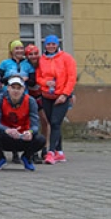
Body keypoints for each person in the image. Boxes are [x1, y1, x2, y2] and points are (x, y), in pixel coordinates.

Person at [0, 77, 46, 171]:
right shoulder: (0, 99)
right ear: (8, 88)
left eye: (19, 88)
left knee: (41, 139)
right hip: (6, 136)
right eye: (13, 87)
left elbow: (35, 125)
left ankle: (26, 157)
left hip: (23, 137)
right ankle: (0, 158)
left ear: (23, 89)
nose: (16, 91)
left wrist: (30, 132)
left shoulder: (30, 101)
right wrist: (7, 130)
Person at [37, 35, 77, 164]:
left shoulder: (67, 58)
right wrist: (45, 82)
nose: (51, 46)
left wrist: (65, 94)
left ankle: (51, 152)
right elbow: (38, 77)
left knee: (55, 123)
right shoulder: (42, 59)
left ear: (57, 44)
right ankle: (59, 152)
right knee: (53, 123)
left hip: (61, 96)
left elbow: (71, 78)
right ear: (45, 45)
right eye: (48, 44)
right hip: (46, 96)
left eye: (53, 44)